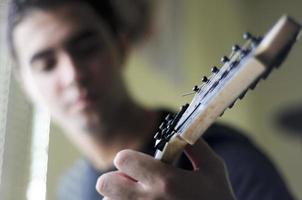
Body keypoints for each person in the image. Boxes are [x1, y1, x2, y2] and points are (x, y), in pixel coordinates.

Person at [6, 0, 295, 199]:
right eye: (46, 64)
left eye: (87, 47)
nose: (72, 74)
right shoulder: (71, 189)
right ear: (26, 85)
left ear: (121, 46)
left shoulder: (228, 164)